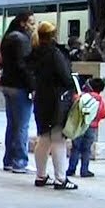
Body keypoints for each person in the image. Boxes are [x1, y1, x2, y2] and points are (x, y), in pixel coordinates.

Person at [29, 22, 77, 189]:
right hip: (57, 99)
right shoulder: (55, 53)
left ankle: (40, 175)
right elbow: (65, 76)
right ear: (54, 35)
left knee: (43, 138)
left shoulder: (35, 52)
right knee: (58, 139)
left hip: (41, 98)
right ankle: (60, 178)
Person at [0, 12, 36, 174]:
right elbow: (24, 66)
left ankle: (9, 159)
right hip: (20, 86)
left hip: (8, 84)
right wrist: (33, 85)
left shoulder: (8, 37)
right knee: (22, 125)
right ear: (23, 23)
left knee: (12, 123)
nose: (33, 26)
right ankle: (20, 160)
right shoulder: (22, 40)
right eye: (31, 22)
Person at [67, 77, 105, 178]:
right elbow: (103, 114)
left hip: (80, 126)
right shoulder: (99, 100)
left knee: (75, 148)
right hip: (92, 127)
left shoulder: (82, 97)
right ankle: (84, 170)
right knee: (86, 149)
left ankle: (71, 169)